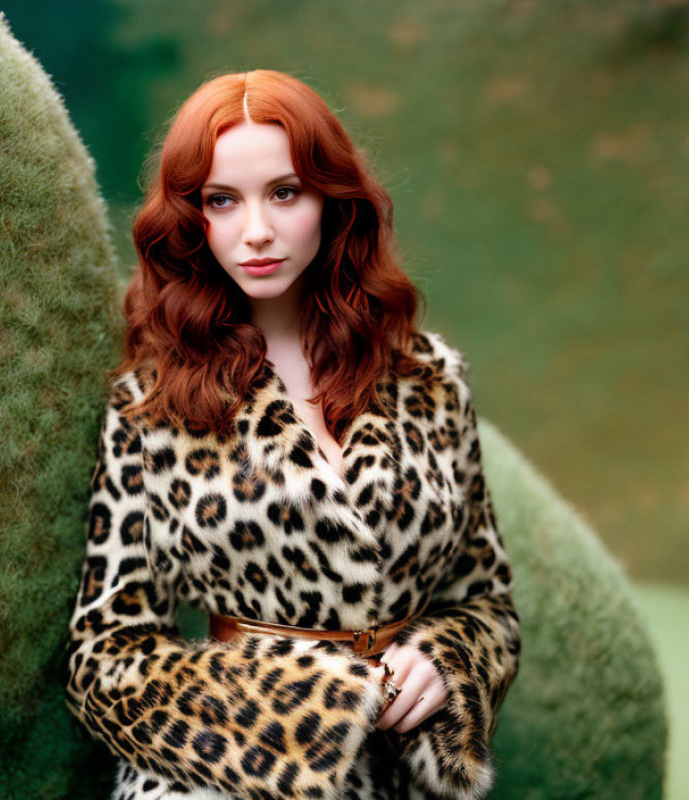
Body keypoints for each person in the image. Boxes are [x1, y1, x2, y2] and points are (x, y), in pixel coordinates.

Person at [65, 69, 521, 800]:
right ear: (194, 218)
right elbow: (103, 660)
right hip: (218, 782)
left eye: (285, 192)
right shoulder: (153, 407)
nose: (256, 231)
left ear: (333, 203)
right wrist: (303, 707)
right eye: (222, 200)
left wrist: (447, 659)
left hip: (398, 778)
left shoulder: (431, 383)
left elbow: (488, 607)